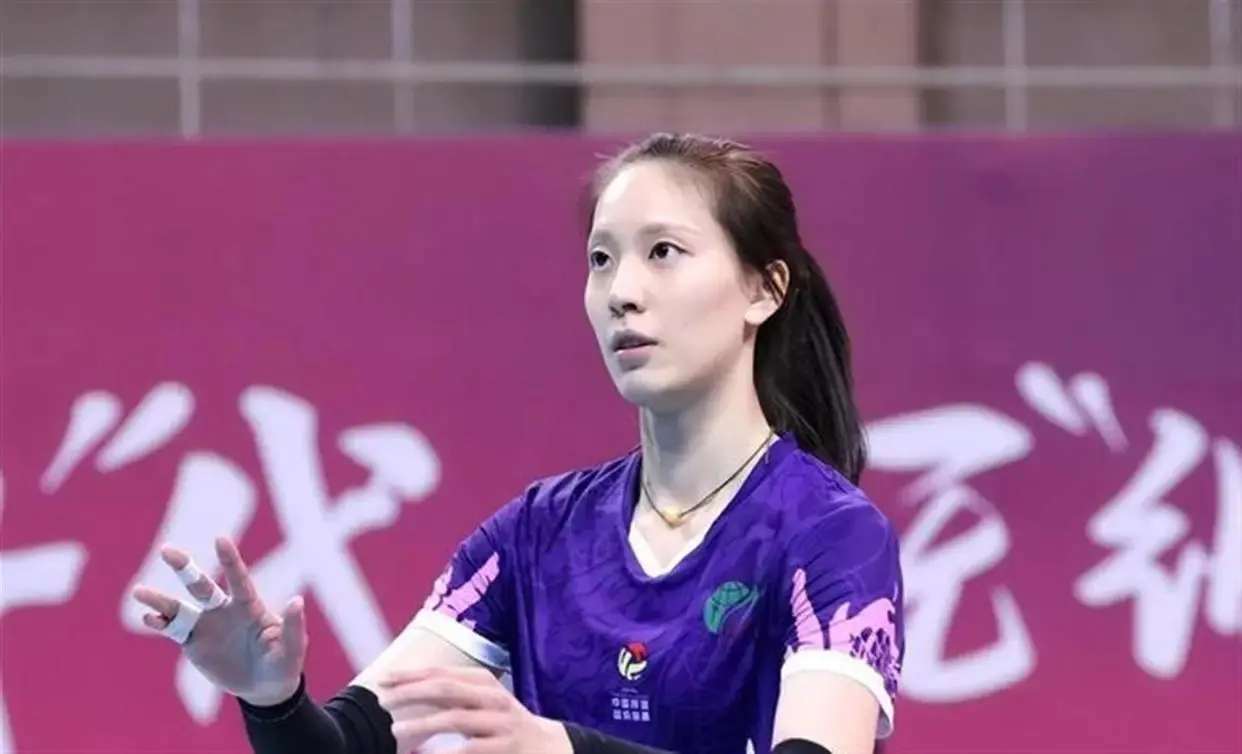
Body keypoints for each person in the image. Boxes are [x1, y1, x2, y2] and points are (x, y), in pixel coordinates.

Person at [132, 132, 905, 754]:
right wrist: (273, 701)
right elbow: (352, 744)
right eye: (601, 260)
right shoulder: (537, 535)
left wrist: (563, 748)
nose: (622, 292)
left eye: (663, 252)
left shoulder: (831, 536)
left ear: (764, 289)